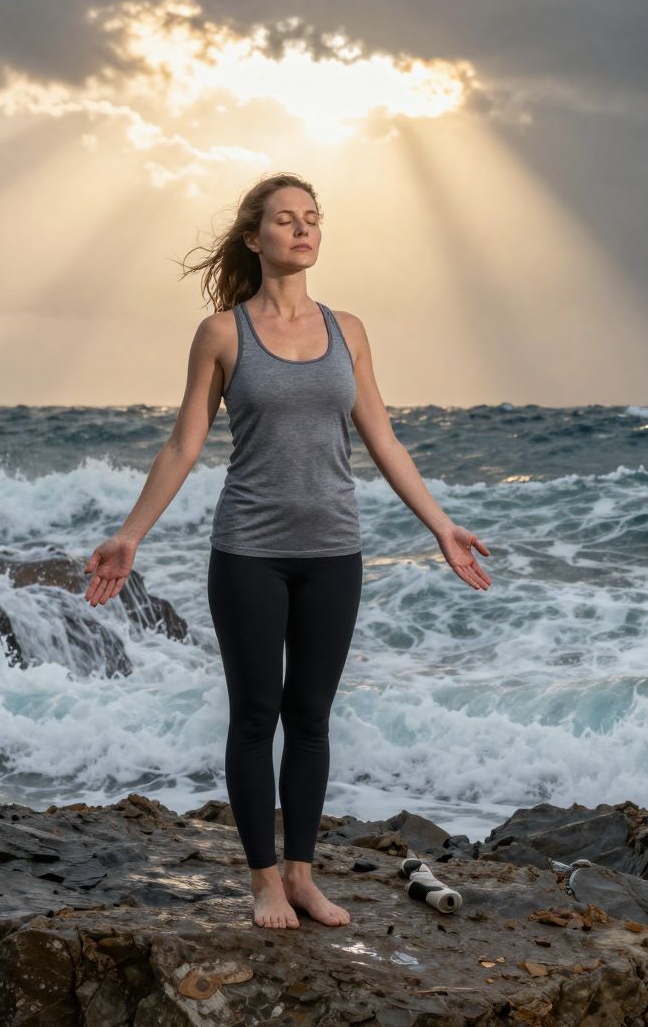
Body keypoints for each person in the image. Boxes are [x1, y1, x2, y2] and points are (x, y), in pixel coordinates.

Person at [81, 172, 493, 931]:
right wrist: (131, 532)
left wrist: (441, 525)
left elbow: (384, 438)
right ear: (254, 236)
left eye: (312, 219)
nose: (303, 231)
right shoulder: (222, 334)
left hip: (334, 551)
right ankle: (264, 881)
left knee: (311, 718)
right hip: (249, 553)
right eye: (285, 220)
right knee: (254, 714)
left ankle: (303, 875)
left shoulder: (350, 331)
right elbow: (183, 443)